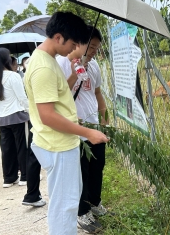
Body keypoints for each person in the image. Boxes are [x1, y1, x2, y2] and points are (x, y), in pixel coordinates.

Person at [24, 12, 109, 235]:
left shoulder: (48, 61)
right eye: (72, 44)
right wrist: (86, 132)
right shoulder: (43, 67)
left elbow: (58, 104)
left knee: (68, 202)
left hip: (61, 142)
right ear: (59, 37)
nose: (73, 50)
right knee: (65, 206)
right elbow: (48, 116)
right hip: (57, 145)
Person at [57, 26, 109, 233]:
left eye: (97, 47)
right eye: (92, 46)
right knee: (80, 173)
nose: (95, 51)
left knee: (98, 166)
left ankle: (95, 203)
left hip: (94, 127)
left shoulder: (94, 65)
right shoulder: (61, 63)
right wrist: (73, 74)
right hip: (74, 130)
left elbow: (97, 94)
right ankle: (82, 213)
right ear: (78, 42)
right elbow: (58, 98)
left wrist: (104, 123)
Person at [0, 48, 28, 187]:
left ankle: (9, 178)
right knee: (22, 146)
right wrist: (31, 110)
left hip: (1, 118)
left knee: (7, 148)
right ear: (5, 60)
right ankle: (25, 175)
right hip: (16, 115)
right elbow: (22, 98)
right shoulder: (13, 76)